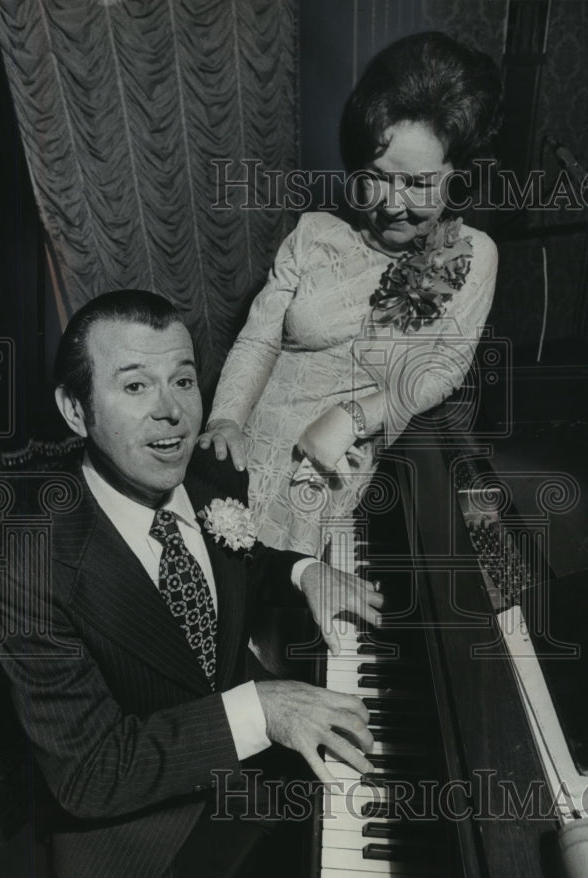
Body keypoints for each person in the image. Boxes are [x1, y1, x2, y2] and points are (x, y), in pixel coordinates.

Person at [0, 289, 381, 878]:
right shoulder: (31, 569)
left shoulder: (207, 477)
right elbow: (90, 776)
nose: (171, 410)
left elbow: (239, 563)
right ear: (76, 411)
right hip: (127, 832)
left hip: (248, 763)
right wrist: (262, 708)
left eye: (184, 379)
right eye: (134, 385)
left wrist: (302, 567)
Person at [200, 31, 502, 558]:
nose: (390, 205)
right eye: (377, 178)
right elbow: (257, 342)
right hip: (253, 447)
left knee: (296, 607)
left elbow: (444, 370)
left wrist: (355, 417)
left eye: (420, 185)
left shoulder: (473, 255)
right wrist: (226, 419)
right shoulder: (313, 233)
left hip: (337, 481)